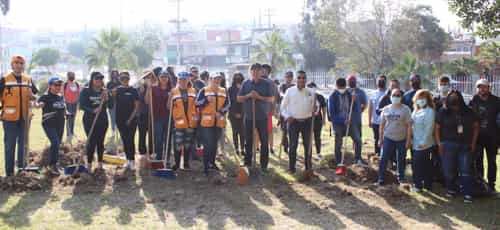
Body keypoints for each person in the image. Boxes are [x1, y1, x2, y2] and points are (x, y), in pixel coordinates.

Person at [435, 90, 479, 203]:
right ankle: (451, 190)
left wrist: (473, 143)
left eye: (456, 96)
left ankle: (467, 193)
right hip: (448, 144)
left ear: (460, 98)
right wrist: (439, 144)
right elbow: (437, 128)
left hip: (465, 145)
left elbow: (476, 127)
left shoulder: (469, 111)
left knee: (465, 170)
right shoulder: (443, 111)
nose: (454, 98)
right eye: (451, 96)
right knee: (448, 170)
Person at [0, 56, 38, 176]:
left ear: (24, 65)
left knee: (23, 145)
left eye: (21, 63)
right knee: (10, 145)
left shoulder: (28, 80)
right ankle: (10, 173)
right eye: (16, 63)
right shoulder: (4, 80)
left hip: (25, 118)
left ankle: (22, 170)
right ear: (12, 65)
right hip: (9, 119)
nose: (19, 65)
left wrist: (33, 97)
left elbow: (35, 95)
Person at [237, 63, 274, 173]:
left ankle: (264, 166)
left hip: (262, 117)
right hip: (249, 117)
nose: (255, 73)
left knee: (264, 141)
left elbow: (271, 99)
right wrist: (248, 96)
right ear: (250, 72)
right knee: (248, 141)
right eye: (253, 71)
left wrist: (258, 97)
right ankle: (248, 163)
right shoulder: (246, 83)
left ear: (261, 72)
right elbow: (239, 98)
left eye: (257, 71)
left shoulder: (267, 84)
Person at [281, 71, 315, 173]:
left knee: (308, 145)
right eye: (299, 78)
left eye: (303, 78)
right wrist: (287, 116)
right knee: (293, 145)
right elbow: (282, 108)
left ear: (306, 79)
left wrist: (316, 110)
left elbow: (315, 107)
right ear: (296, 79)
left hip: (307, 122)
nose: (301, 80)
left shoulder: (311, 92)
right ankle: (292, 168)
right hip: (293, 122)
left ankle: (308, 167)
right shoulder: (289, 91)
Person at [469, 79, 500, 191]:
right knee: (478, 161)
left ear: (488, 88)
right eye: (479, 87)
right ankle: (481, 184)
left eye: (484, 87)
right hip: (477, 137)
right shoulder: (473, 100)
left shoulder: (497, 101)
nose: (482, 89)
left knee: (491, 161)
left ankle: (491, 185)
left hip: (492, 137)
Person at [196, 72, 230, 175]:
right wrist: (206, 100)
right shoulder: (204, 90)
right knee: (208, 144)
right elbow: (197, 103)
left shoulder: (224, 91)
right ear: (211, 79)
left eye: (219, 79)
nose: (217, 80)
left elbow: (228, 104)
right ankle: (206, 166)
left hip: (218, 121)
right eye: (215, 79)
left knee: (214, 144)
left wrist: (221, 112)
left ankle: (212, 162)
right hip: (206, 123)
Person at [377, 88, 411, 185]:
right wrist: (380, 139)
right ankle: (381, 178)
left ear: (401, 97)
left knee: (401, 159)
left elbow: (409, 125)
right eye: (394, 95)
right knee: (384, 158)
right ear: (390, 97)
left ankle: (400, 178)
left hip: (401, 139)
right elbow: (382, 125)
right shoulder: (386, 109)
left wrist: (408, 140)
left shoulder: (406, 109)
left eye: (398, 95)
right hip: (388, 138)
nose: (396, 97)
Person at [79, 72, 109, 173]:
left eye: (101, 79)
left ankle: (100, 164)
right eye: (97, 79)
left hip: (102, 120)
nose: (99, 81)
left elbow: (111, 105)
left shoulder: (104, 91)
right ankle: (89, 165)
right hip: (89, 120)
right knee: (91, 142)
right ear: (92, 79)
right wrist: (92, 110)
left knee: (100, 143)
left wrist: (107, 98)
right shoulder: (86, 91)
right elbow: (82, 105)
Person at [169, 72, 198, 171]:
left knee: (187, 144)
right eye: (180, 79)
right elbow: (168, 107)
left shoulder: (194, 91)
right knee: (177, 144)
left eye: (184, 79)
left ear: (188, 80)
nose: (182, 81)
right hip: (179, 122)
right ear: (178, 80)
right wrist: (170, 97)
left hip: (191, 122)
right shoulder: (174, 91)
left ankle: (186, 164)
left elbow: (197, 106)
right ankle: (177, 164)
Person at [36, 77, 65, 175]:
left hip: (60, 124)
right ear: (50, 86)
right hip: (49, 124)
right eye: (55, 85)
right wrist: (38, 105)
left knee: (57, 144)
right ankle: (52, 165)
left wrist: (67, 113)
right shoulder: (45, 96)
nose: (58, 87)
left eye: (59, 85)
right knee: (55, 143)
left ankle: (55, 163)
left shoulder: (60, 96)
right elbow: (39, 103)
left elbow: (63, 108)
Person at [328, 78, 359, 166]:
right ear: (336, 86)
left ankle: (358, 160)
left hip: (349, 122)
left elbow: (354, 108)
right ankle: (338, 162)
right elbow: (332, 115)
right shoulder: (332, 97)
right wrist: (342, 120)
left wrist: (354, 100)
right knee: (338, 143)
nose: (342, 89)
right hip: (338, 124)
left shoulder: (349, 94)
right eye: (340, 87)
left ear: (346, 86)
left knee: (358, 140)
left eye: (343, 87)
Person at [409, 89, 435, 192]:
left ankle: (418, 185)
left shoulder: (430, 111)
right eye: (419, 98)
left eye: (423, 98)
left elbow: (429, 128)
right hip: (415, 142)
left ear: (428, 99)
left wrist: (423, 142)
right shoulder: (416, 111)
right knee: (424, 164)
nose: (421, 100)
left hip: (424, 143)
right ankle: (427, 184)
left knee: (418, 164)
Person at [113, 72, 139, 170]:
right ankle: (127, 160)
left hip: (132, 119)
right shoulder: (117, 90)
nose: (124, 81)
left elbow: (136, 106)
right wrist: (113, 94)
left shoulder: (133, 90)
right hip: (120, 119)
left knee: (130, 139)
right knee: (124, 140)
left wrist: (130, 119)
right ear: (120, 80)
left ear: (129, 79)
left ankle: (132, 161)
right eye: (122, 79)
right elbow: (113, 102)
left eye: (126, 79)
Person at [150, 71, 173, 165]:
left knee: (167, 138)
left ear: (168, 78)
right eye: (162, 77)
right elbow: (148, 101)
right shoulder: (154, 89)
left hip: (168, 117)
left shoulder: (172, 89)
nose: (164, 78)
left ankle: (166, 158)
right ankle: (159, 157)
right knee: (158, 138)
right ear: (159, 78)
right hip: (157, 118)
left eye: (166, 77)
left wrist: (171, 96)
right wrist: (148, 89)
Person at [137, 72, 156, 160]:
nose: (149, 79)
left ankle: (152, 151)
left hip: (153, 114)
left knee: (152, 133)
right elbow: (145, 101)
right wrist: (148, 88)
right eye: (146, 77)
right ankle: (142, 152)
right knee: (142, 133)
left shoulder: (156, 88)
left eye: (150, 77)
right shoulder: (140, 88)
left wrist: (151, 87)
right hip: (143, 113)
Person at [261, 64, 278, 155]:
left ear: (268, 72)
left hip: (267, 110)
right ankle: (257, 147)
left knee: (269, 130)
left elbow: (274, 98)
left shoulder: (271, 83)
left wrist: (273, 109)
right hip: (258, 110)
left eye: (265, 70)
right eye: (262, 70)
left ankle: (271, 147)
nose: (263, 71)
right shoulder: (256, 81)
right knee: (256, 130)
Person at [307, 82, 327, 159]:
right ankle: (308, 152)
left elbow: (324, 108)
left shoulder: (320, 97)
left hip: (318, 120)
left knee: (317, 137)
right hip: (308, 120)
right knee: (308, 137)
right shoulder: (306, 97)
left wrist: (324, 119)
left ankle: (318, 152)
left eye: (313, 88)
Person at [368, 75, 387, 156]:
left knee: (385, 139)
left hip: (386, 122)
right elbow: (370, 107)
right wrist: (369, 120)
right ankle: (377, 155)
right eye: (379, 80)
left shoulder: (388, 93)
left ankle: (386, 156)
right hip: (375, 121)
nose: (381, 82)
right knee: (376, 139)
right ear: (377, 82)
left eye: (382, 81)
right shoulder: (373, 93)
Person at [228, 72, 245, 155]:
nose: (238, 79)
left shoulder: (244, 88)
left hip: (243, 114)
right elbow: (229, 103)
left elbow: (245, 102)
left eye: (239, 77)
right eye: (236, 77)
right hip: (232, 114)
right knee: (235, 132)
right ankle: (236, 148)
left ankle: (242, 148)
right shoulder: (230, 89)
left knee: (242, 132)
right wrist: (234, 113)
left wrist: (241, 113)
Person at [279, 71, 295, 154]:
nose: (288, 78)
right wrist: (286, 96)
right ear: (285, 77)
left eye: (290, 77)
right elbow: (281, 94)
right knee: (284, 129)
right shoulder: (282, 86)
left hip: (292, 111)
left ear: (292, 78)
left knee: (291, 130)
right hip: (283, 111)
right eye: (287, 77)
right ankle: (285, 145)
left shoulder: (294, 87)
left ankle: (291, 147)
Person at [63, 71, 80, 142]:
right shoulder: (65, 84)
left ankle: (72, 132)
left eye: (73, 75)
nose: (72, 76)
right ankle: (68, 134)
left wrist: (78, 104)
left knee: (73, 118)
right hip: (67, 103)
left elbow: (78, 94)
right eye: (70, 75)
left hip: (75, 103)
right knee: (68, 118)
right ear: (68, 76)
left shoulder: (76, 84)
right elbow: (62, 94)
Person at [106, 70, 120, 140]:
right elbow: (107, 92)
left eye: (116, 74)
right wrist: (111, 91)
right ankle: (113, 131)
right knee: (112, 118)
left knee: (119, 118)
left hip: (119, 104)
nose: (115, 76)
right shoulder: (109, 84)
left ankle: (119, 131)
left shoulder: (120, 83)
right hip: (111, 103)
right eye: (113, 74)